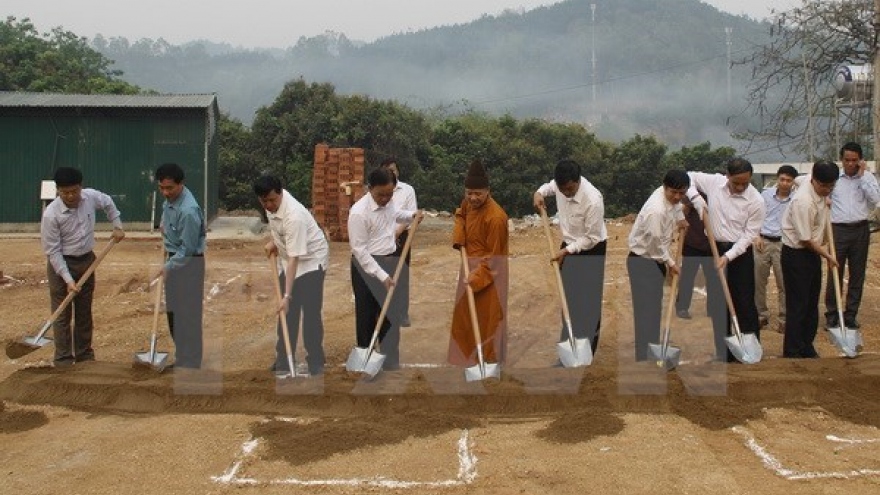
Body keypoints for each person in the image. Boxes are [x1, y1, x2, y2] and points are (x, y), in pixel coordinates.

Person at [41, 167, 125, 368]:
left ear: (81, 187)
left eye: (74, 191)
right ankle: (63, 359)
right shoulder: (51, 215)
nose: (71, 196)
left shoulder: (91, 197)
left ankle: (84, 355)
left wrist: (117, 225)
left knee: (84, 312)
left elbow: (109, 203)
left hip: (87, 260)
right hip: (61, 264)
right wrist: (68, 280)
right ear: (58, 192)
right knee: (62, 314)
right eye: (65, 192)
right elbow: (53, 251)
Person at [688, 158, 765, 362]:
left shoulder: (756, 200)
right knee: (718, 303)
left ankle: (750, 347)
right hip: (713, 248)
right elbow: (687, 177)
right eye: (736, 182)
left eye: (745, 183)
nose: (740, 187)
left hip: (739, 253)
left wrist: (728, 257)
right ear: (727, 176)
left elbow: (749, 235)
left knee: (744, 301)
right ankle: (723, 352)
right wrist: (696, 198)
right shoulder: (714, 183)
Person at [348, 167, 421, 372]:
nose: (385, 199)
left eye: (389, 194)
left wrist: (412, 215)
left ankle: (389, 360)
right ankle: (366, 356)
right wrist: (382, 276)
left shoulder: (389, 203)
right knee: (367, 314)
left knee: (390, 314)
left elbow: (396, 214)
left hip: (390, 261)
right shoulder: (359, 213)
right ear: (369, 189)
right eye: (381, 195)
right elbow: (360, 251)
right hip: (366, 268)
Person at [254, 175, 328, 376]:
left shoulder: (293, 215)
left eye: (272, 200)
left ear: (280, 192)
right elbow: (280, 233)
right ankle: (284, 359)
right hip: (290, 259)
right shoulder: (271, 207)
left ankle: (316, 360)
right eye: (264, 201)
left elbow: (296, 257)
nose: (268, 205)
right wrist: (275, 242)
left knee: (310, 312)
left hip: (311, 261)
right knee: (287, 314)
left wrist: (287, 296)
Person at [532, 159, 607, 355]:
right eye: (562, 189)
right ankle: (568, 347)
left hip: (592, 248)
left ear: (578, 181)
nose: (566, 193)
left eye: (570, 189)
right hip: (569, 245)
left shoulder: (593, 200)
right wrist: (539, 193)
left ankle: (587, 350)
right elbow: (547, 188)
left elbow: (592, 237)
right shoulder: (558, 185)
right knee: (569, 299)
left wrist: (567, 251)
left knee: (588, 301)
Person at [448, 160, 509, 367]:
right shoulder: (468, 203)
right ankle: (468, 358)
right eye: (469, 193)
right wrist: (459, 237)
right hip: (469, 264)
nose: (472, 198)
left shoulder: (496, 218)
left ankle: (490, 361)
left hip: (490, 273)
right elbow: (461, 216)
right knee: (465, 316)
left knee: (489, 320)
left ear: (488, 192)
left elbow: (496, 258)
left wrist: (476, 277)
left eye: (478, 194)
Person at [626, 170, 689, 361]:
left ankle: (651, 349)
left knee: (654, 309)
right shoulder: (656, 211)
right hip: (643, 261)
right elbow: (656, 246)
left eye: (682, 193)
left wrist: (680, 220)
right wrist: (671, 264)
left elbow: (677, 208)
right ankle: (644, 355)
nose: (677, 197)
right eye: (673, 192)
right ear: (664, 187)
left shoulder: (671, 201)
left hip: (655, 260)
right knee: (646, 310)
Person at [781, 161, 839, 358]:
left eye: (832, 186)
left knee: (812, 302)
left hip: (812, 254)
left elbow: (798, 178)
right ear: (814, 181)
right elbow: (805, 240)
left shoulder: (808, 179)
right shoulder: (803, 202)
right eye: (824, 186)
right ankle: (793, 350)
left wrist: (826, 199)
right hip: (797, 255)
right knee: (798, 304)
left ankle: (807, 346)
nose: (828, 190)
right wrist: (828, 255)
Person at [154, 163, 206, 370]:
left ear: (181, 184)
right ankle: (182, 357)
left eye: (170, 188)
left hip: (189, 263)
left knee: (189, 315)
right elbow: (166, 221)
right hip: (174, 258)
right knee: (174, 314)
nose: (165, 192)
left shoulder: (189, 211)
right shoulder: (169, 202)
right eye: (162, 188)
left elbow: (189, 249)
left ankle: (191, 362)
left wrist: (169, 266)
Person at [824, 142, 880, 330]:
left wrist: (863, 176)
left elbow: (876, 200)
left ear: (860, 160)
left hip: (860, 229)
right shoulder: (834, 178)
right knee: (834, 271)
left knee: (857, 274)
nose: (850, 164)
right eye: (847, 160)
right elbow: (822, 195)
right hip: (838, 229)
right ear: (841, 159)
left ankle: (850, 315)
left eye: (854, 160)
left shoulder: (867, 177)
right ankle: (832, 314)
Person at [754, 165, 798, 333]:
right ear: (777, 179)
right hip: (762, 242)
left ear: (793, 182)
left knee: (784, 283)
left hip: (783, 244)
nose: (785, 183)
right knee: (759, 281)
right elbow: (755, 216)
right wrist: (756, 236)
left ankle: (784, 318)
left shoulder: (796, 199)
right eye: (782, 179)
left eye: (789, 180)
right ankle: (760, 315)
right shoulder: (764, 195)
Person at [379, 158, 417, 327]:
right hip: (380, 237)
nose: (391, 173)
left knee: (401, 275)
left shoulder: (407, 190)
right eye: (387, 171)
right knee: (383, 274)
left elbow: (411, 215)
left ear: (398, 172)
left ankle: (402, 313)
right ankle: (385, 311)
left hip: (401, 237)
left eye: (393, 170)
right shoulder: (378, 190)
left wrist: (396, 233)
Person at [675, 194, 712, 319]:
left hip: (710, 245)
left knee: (713, 278)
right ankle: (682, 307)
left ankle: (713, 308)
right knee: (687, 277)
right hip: (692, 244)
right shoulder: (693, 196)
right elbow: (682, 208)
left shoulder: (717, 198)